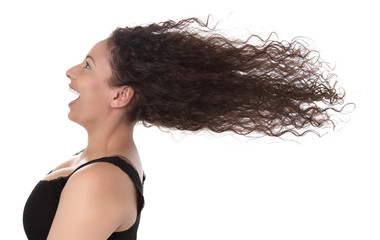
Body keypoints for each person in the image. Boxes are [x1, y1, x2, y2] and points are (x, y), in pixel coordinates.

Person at [23, 17, 349, 240]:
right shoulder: (101, 158)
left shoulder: (99, 179)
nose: (70, 72)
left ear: (120, 95)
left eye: (87, 65)